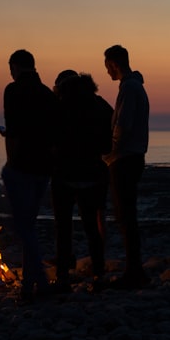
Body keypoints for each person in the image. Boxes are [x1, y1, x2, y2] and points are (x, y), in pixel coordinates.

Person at [1, 49, 59, 301]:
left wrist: (11, 162)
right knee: (29, 225)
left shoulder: (13, 90)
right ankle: (28, 284)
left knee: (24, 227)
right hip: (43, 167)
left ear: (15, 66)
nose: (10, 72)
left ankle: (41, 283)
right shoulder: (47, 94)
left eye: (10, 67)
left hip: (22, 165)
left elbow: (13, 129)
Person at [51, 70, 114, 287]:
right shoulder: (99, 105)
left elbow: (50, 138)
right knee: (91, 228)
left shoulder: (59, 107)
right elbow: (108, 141)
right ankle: (98, 273)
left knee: (63, 228)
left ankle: (62, 276)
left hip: (64, 175)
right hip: (93, 175)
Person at [103, 44, 151, 289]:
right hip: (131, 156)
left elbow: (123, 123)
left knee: (125, 216)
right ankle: (135, 270)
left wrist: (111, 150)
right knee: (126, 215)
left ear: (113, 64)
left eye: (107, 67)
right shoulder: (134, 86)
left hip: (125, 159)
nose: (107, 72)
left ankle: (134, 272)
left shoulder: (130, 88)